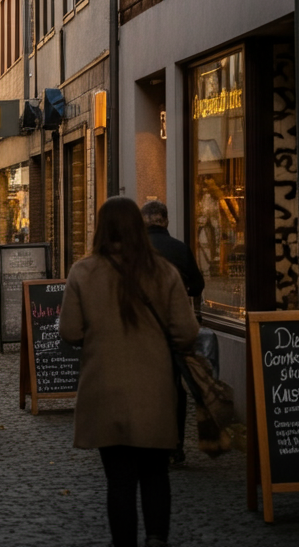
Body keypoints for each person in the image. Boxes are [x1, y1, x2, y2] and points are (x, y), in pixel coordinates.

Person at [61, 197, 199, 547]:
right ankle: (156, 538)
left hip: (104, 388)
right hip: (154, 389)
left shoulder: (83, 272)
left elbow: (70, 332)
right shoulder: (163, 272)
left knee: (119, 479)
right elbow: (187, 332)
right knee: (155, 473)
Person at [141, 200, 205, 467]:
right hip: (172, 329)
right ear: (165, 221)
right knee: (175, 387)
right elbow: (198, 285)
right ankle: (176, 445)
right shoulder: (179, 248)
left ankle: (147, 440)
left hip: (141, 331)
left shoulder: (135, 252)